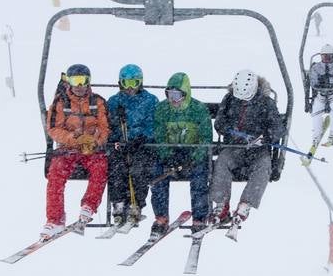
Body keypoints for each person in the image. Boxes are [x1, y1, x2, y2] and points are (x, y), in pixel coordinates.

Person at [42, 62, 110, 237]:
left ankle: (89, 205)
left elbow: (105, 127)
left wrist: (95, 141)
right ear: (69, 82)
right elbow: (53, 129)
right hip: (68, 149)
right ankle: (55, 219)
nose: (79, 86)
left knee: (100, 168)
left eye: (83, 80)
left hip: (91, 150)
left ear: (88, 82)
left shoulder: (98, 102)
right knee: (56, 173)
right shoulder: (60, 102)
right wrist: (73, 139)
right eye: (75, 80)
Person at [208, 69, 282, 225]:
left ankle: (246, 204)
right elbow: (219, 122)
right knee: (222, 161)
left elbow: (277, 128)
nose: (243, 100)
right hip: (235, 146)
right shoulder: (229, 99)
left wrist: (265, 137)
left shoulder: (266, 103)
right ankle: (221, 204)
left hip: (258, 149)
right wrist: (231, 131)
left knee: (264, 166)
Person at [149, 72, 213, 235]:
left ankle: (199, 218)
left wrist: (194, 157)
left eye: (177, 95)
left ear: (185, 94)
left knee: (199, 177)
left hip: (192, 152)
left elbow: (206, 138)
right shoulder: (162, 109)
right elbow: (159, 136)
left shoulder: (198, 109)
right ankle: (161, 217)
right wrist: (167, 156)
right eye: (169, 95)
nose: (173, 100)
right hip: (171, 152)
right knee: (158, 173)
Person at [105, 64, 160, 228]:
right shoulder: (114, 102)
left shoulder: (150, 101)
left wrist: (141, 138)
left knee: (139, 168)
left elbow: (153, 125)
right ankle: (119, 203)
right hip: (121, 145)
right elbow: (109, 126)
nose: (130, 88)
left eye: (134, 83)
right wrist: (117, 139)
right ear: (120, 83)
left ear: (140, 83)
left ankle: (136, 204)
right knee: (117, 167)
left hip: (142, 145)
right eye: (126, 83)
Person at [305, 45, 333, 153]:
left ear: (332, 56)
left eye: (329, 57)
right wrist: (320, 85)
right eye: (324, 57)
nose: (326, 59)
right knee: (316, 110)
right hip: (321, 94)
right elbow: (313, 81)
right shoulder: (316, 67)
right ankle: (316, 135)